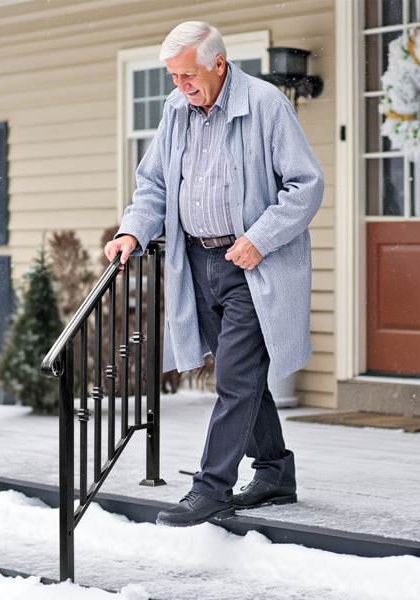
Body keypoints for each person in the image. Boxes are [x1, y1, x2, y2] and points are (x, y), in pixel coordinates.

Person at [104, 21, 323, 527]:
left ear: (219, 64)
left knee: (234, 378)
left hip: (253, 264)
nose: (179, 86)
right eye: (174, 77)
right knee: (240, 377)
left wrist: (260, 238)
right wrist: (132, 232)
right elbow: (154, 183)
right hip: (198, 262)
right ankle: (274, 472)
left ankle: (212, 487)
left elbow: (305, 185)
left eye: (188, 75)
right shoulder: (176, 111)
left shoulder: (267, 105)